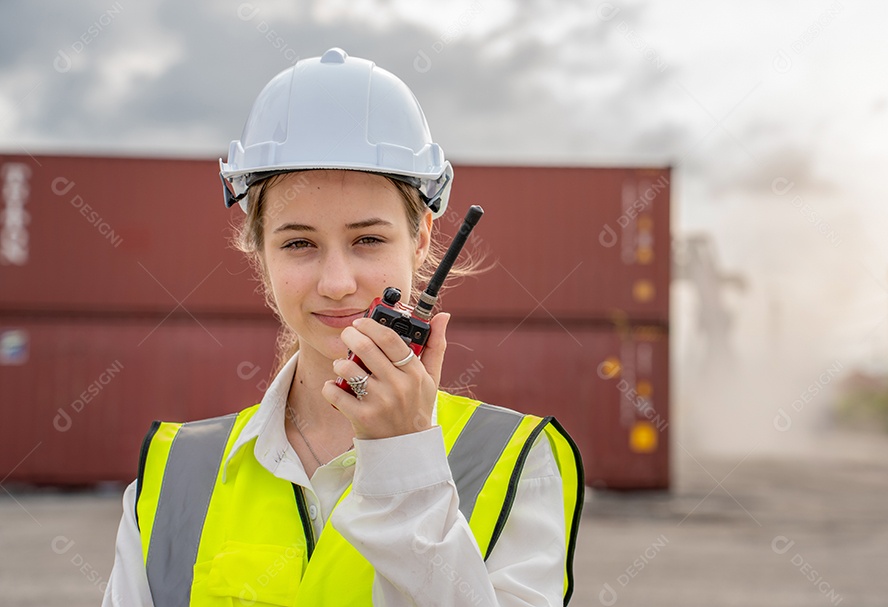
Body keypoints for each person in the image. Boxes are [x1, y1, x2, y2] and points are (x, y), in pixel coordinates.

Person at [102, 48, 583, 607]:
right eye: (299, 243)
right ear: (259, 250)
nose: (336, 282)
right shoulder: (172, 475)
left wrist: (405, 462)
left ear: (424, 237)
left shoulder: (516, 460)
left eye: (368, 240)